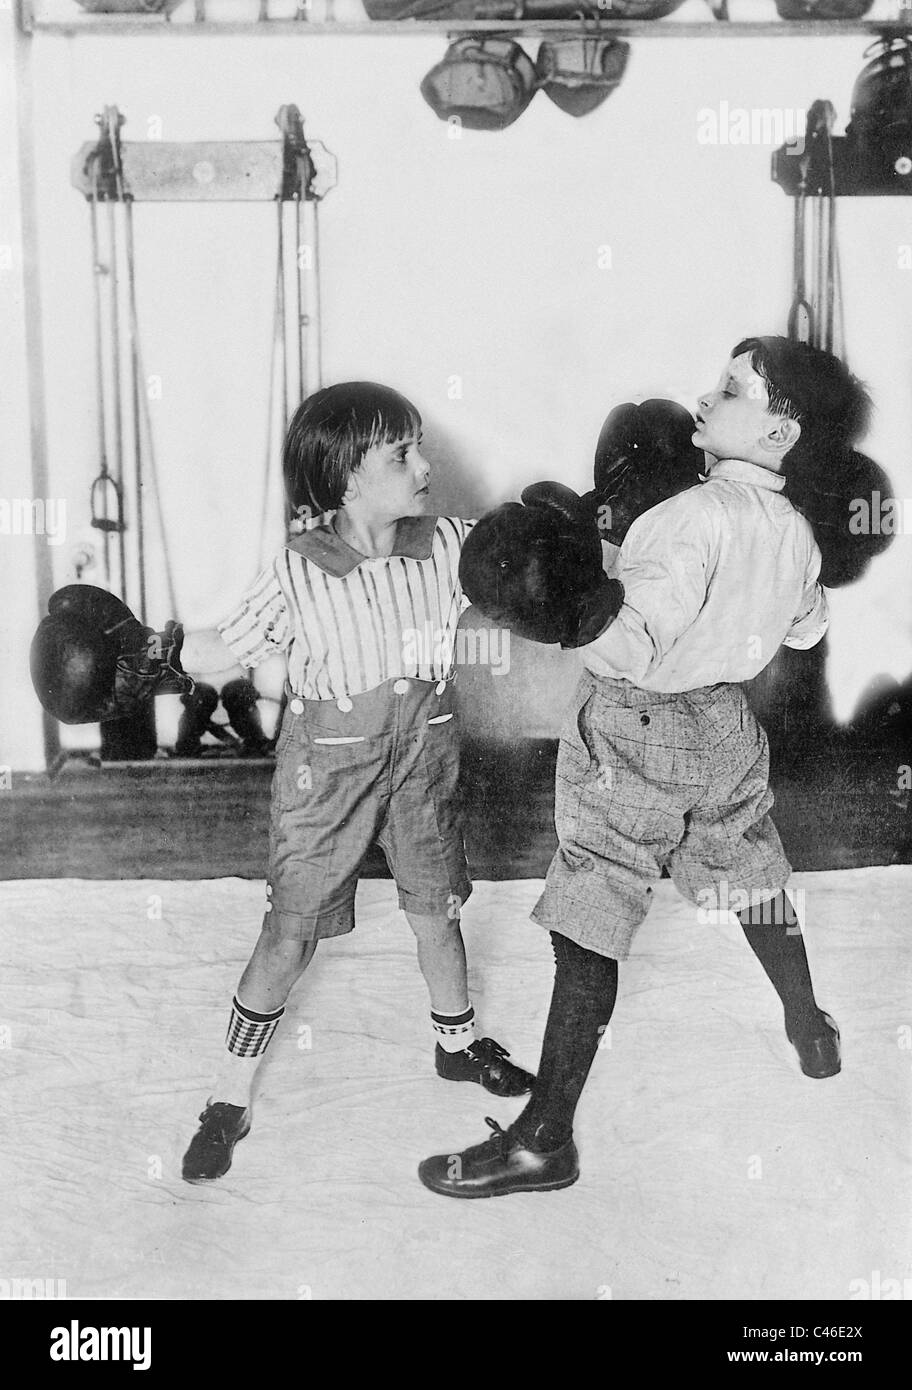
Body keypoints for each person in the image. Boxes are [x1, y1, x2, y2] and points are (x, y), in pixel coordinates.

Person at [418, 336, 871, 1199]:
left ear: (779, 432)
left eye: (733, 389)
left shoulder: (684, 520)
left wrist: (571, 605)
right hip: (727, 724)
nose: (707, 397)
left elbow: (634, 642)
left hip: (636, 731)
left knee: (591, 907)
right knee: (747, 866)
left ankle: (545, 1138)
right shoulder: (794, 532)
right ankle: (810, 1029)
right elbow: (806, 627)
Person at [180, 381, 534, 1182]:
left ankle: (456, 1043)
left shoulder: (448, 544)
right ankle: (228, 1096)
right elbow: (222, 652)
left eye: (419, 444)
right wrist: (150, 653)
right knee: (289, 931)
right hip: (327, 772)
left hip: (424, 759)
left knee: (436, 910)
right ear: (344, 478)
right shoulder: (299, 573)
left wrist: (578, 526)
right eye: (400, 453)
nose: (424, 464)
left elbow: (525, 557)